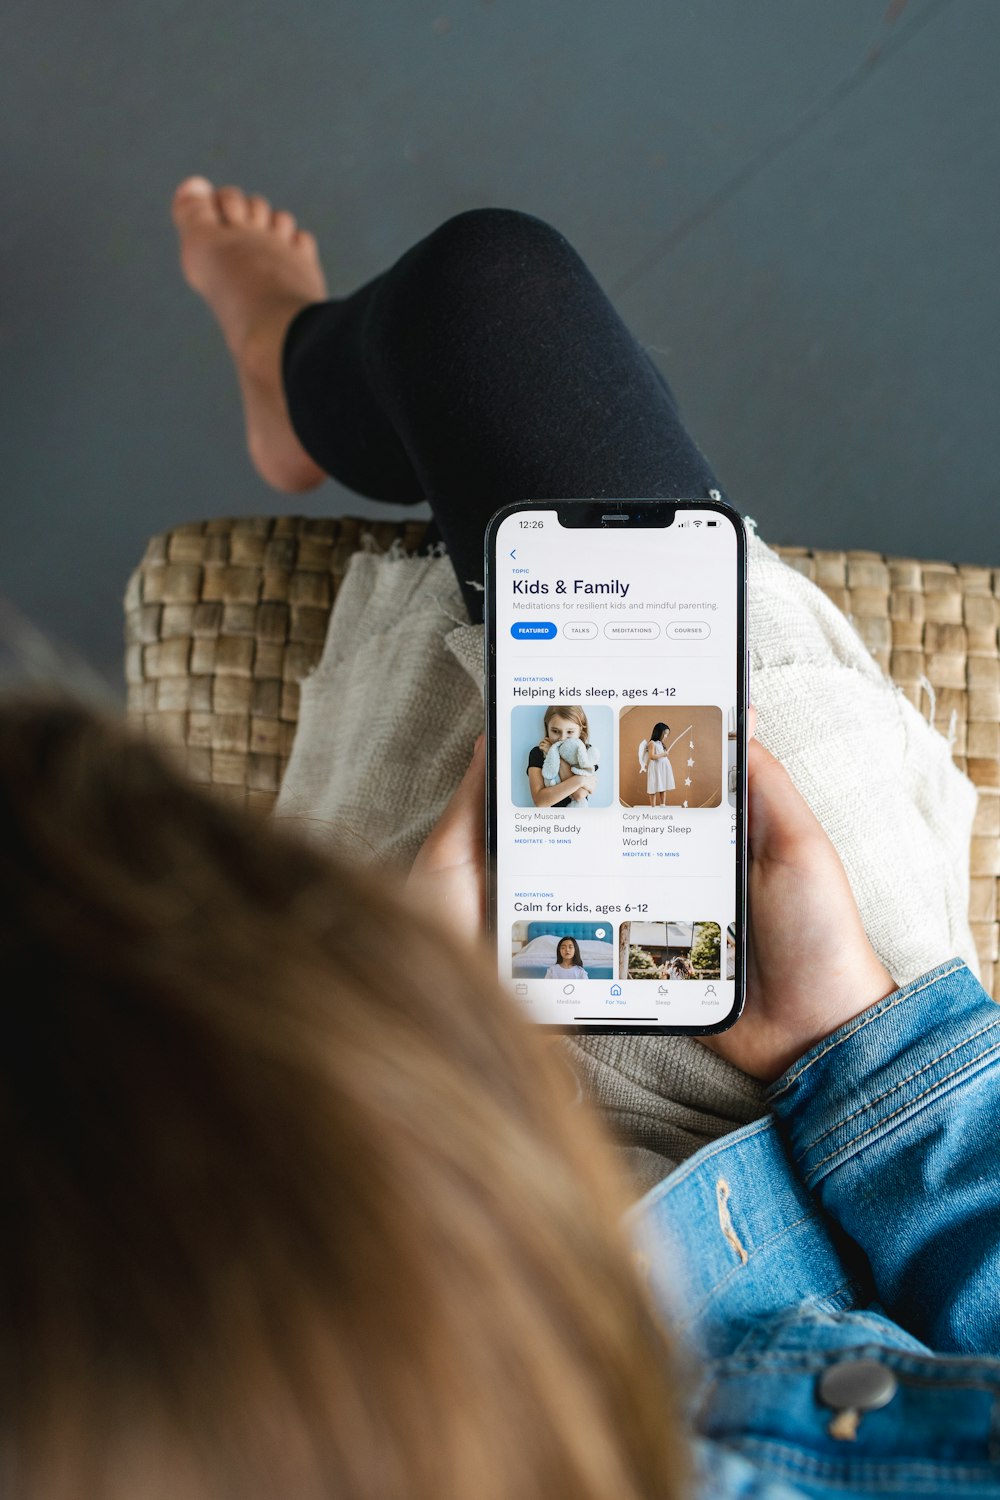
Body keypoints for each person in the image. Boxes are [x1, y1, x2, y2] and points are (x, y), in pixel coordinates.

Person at [165, 178, 999, 1493]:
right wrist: (860, 1039)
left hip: (436, 1231)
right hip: (837, 1134)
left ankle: (296, 361)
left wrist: (407, 1075)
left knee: (499, 347)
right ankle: (291, 369)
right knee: (489, 302)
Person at [527, 705, 597, 809]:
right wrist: (580, 780)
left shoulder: (587, 752)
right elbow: (540, 802)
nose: (562, 738)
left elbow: (578, 795)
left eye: (570, 732)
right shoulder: (537, 753)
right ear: (547, 727)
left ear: (580, 730)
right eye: (555, 731)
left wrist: (555, 755)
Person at [640, 720, 675, 807]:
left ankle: (663, 805)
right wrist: (664, 754)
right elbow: (651, 756)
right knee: (653, 786)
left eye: (667, 734)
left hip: (662, 768)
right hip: (655, 768)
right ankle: (653, 807)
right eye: (665, 734)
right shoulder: (652, 743)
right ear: (659, 732)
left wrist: (664, 754)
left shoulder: (661, 744)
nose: (666, 736)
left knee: (662, 786)